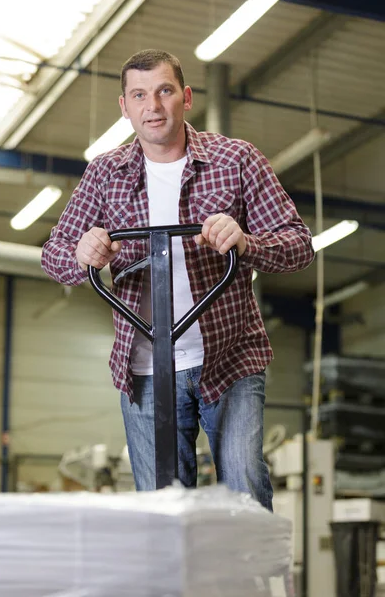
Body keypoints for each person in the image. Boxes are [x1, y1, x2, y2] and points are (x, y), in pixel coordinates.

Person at [41, 49, 315, 511]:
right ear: (124, 106)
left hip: (230, 357)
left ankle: (248, 580)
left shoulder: (237, 160)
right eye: (140, 95)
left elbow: (299, 245)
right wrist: (82, 252)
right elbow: (54, 256)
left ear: (185, 97)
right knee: (160, 508)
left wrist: (246, 241)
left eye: (165, 91)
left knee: (243, 487)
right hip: (144, 366)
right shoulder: (105, 174)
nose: (153, 106)